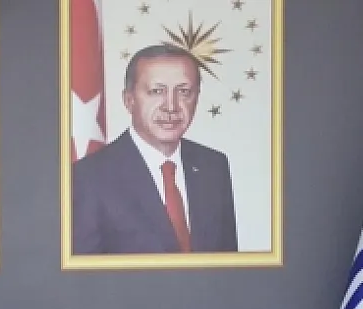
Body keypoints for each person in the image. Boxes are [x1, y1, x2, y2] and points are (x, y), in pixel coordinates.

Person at [72, 43, 238, 254]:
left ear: (196, 98)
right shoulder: (87, 178)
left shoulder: (213, 166)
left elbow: (228, 266)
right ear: (129, 100)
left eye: (184, 92)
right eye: (157, 91)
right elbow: (83, 273)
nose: (171, 106)